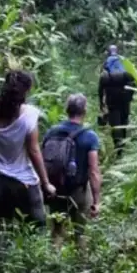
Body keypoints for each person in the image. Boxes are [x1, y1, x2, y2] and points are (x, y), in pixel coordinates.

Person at [0, 70, 56, 238]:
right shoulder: (28, 115)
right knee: (37, 227)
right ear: (26, 91)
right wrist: (46, 183)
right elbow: (33, 150)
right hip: (22, 182)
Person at [44, 93, 101, 247]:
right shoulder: (90, 136)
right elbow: (94, 171)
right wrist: (97, 201)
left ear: (67, 110)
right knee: (80, 232)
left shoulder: (52, 132)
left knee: (56, 231)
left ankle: (52, 264)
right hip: (78, 191)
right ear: (84, 111)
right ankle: (80, 266)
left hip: (55, 189)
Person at [99, 48, 133, 156]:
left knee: (115, 124)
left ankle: (118, 148)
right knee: (124, 121)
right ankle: (122, 145)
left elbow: (101, 87)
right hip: (125, 99)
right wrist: (130, 97)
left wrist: (101, 102)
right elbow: (133, 82)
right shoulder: (122, 63)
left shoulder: (106, 64)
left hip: (112, 99)